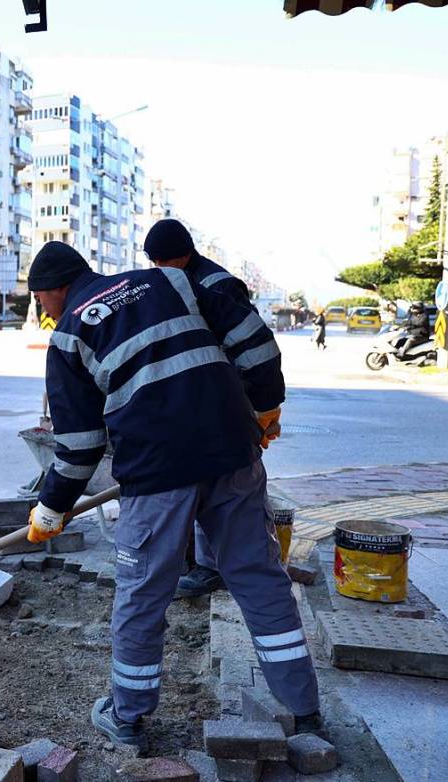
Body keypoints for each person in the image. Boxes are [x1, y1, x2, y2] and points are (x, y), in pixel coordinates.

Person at [24, 241, 320, 752]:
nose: (43, 311)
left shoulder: (69, 336)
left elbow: (79, 447)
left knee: (143, 593)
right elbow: (256, 343)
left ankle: (128, 718)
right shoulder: (167, 281)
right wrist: (265, 406)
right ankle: (305, 710)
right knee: (259, 578)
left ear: (51, 291)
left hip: (158, 472)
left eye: (39, 302)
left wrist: (51, 508)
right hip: (233, 450)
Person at [143, 218, 257, 599]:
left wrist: (258, 407)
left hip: (223, 398)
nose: (160, 271)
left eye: (165, 263)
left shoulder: (218, 285)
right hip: (197, 399)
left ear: (185, 255)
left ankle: (215, 567)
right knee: (206, 481)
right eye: (153, 264)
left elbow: (248, 347)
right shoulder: (172, 281)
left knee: (221, 483)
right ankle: (206, 559)